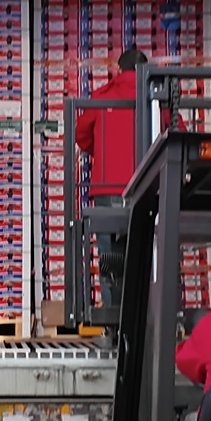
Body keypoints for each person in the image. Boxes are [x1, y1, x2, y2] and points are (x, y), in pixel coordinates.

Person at [75, 47, 149, 315]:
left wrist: (101, 152)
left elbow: (81, 134)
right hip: (147, 187)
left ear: (118, 70)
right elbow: (175, 133)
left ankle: (111, 319)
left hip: (107, 189)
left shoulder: (101, 97)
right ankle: (148, 317)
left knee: (110, 258)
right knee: (146, 253)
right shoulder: (156, 97)